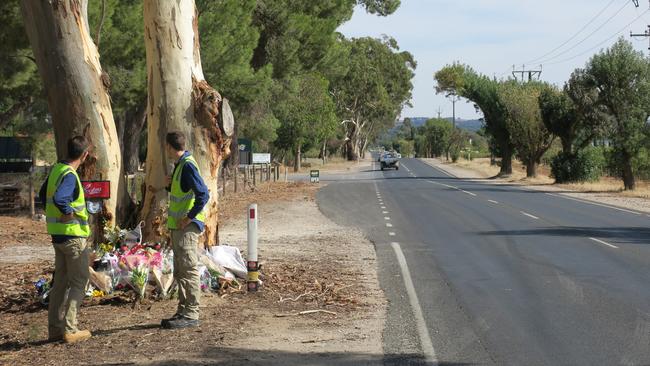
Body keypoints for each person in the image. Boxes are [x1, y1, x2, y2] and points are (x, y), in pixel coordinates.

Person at [38, 136, 92, 344]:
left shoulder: (56, 170)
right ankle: (70, 328)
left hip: (58, 236)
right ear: (84, 155)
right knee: (80, 281)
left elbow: (44, 195)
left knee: (60, 283)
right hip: (73, 237)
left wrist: (57, 213)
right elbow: (61, 198)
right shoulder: (70, 175)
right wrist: (67, 212)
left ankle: (55, 329)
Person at [161, 131, 209, 329]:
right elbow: (183, 193)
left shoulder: (187, 165)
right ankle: (183, 311)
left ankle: (191, 314)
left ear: (170, 147)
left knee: (188, 269)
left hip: (187, 227)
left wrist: (188, 218)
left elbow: (203, 195)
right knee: (181, 271)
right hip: (180, 228)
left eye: (166, 147)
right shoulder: (181, 166)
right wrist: (170, 186)